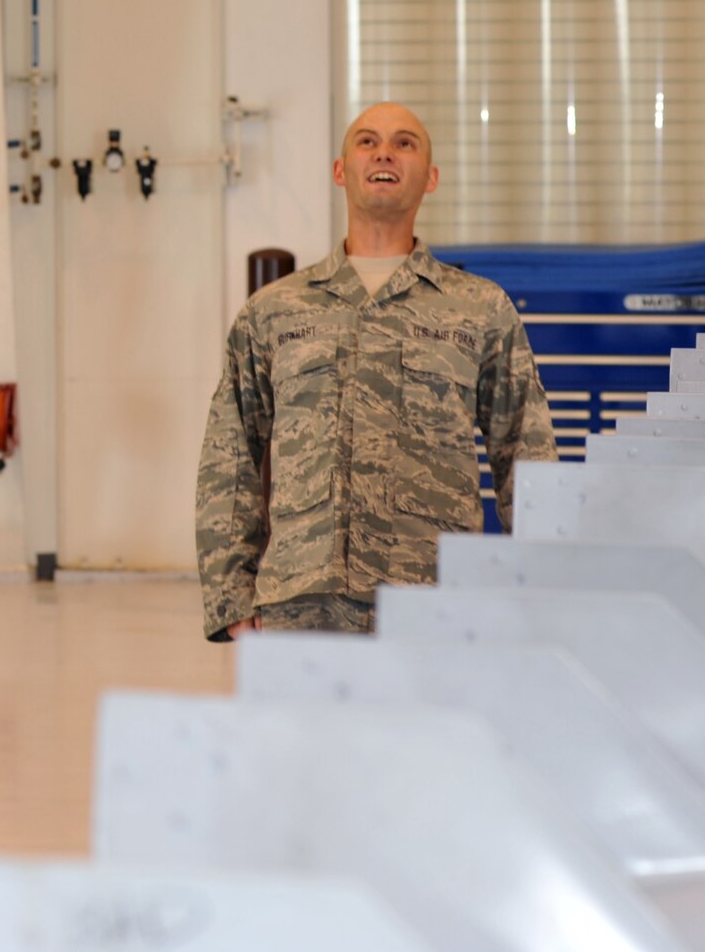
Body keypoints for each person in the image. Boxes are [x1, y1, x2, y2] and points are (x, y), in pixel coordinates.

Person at [195, 101, 557, 640]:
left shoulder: (479, 308)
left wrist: (541, 590)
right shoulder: (275, 311)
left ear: (430, 178)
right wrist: (232, 598)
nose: (384, 150)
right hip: (302, 604)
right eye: (366, 141)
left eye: (404, 142)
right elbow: (230, 455)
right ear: (340, 171)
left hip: (437, 601)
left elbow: (526, 454)